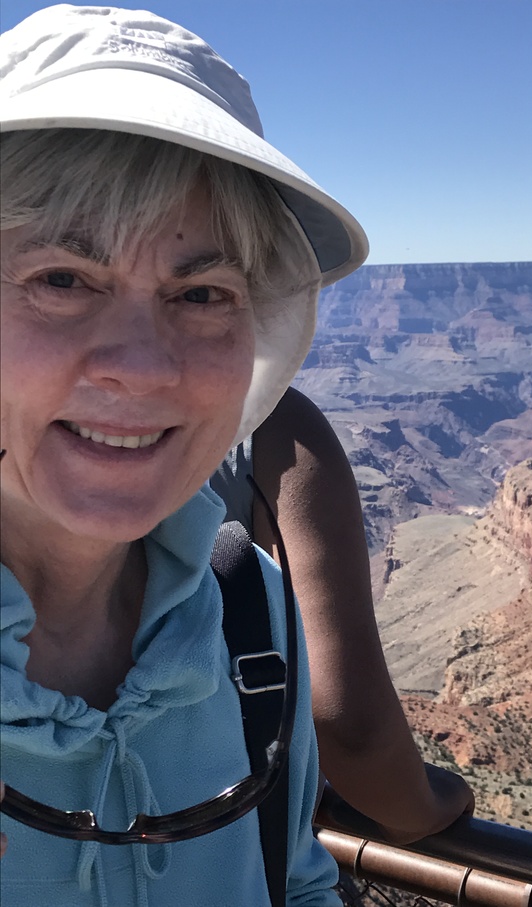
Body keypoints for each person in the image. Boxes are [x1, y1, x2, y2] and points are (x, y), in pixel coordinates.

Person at [0, 5, 369, 905]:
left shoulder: (251, 609)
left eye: (202, 292)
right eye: (62, 278)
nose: (142, 367)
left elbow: (300, 882)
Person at [211, 388, 475, 844]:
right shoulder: (270, 421)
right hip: (206, 849)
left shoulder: (49, 419)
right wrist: (429, 806)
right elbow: (347, 724)